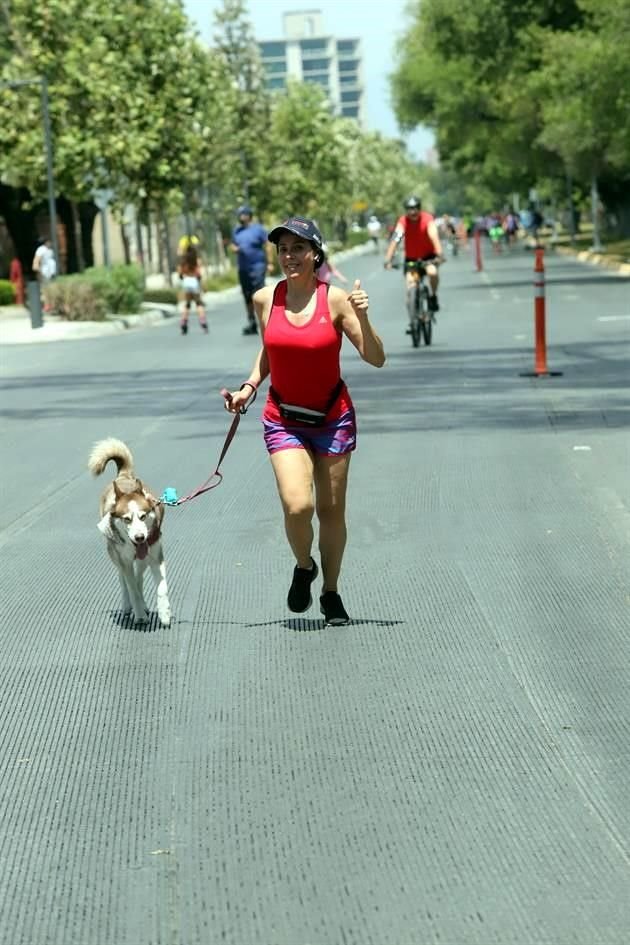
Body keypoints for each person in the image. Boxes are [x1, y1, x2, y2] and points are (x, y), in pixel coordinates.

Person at [224, 216, 385, 626]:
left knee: (331, 512)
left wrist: (363, 317)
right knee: (299, 506)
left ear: (316, 254)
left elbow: (376, 357)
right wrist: (249, 386)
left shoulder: (337, 300)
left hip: (332, 417)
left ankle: (331, 593)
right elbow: (270, 350)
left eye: (298, 248)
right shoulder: (265, 299)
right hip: (285, 418)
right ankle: (304, 565)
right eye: (283, 249)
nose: (290, 256)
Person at [384, 197, 443, 330]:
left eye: (415, 208)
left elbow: (434, 236)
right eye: (410, 209)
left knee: (432, 272)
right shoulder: (403, 221)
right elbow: (396, 239)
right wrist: (388, 259)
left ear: (419, 208)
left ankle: (433, 296)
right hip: (411, 259)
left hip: (428, 257)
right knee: (411, 287)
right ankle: (413, 319)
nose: (413, 212)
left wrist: (439, 254)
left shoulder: (427, 219)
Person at [230, 205, 274, 336]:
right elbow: (233, 244)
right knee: (247, 295)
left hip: (258, 266)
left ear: (249, 215)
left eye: (243, 213)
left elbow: (267, 245)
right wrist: (234, 249)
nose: (241, 216)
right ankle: (251, 322)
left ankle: (266, 320)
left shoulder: (258, 229)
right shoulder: (236, 231)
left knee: (259, 293)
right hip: (243, 268)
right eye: (239, 214)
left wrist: (270, 262)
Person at [177, 239, 208, 335]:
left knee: (187, 304)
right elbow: (199, 274)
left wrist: (184, 278)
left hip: (186, 282)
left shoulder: (183, 261)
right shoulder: (196, 260)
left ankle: (183, 322)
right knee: (198, 304)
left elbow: (180, 274)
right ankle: (203, 321)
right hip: (194, 282)